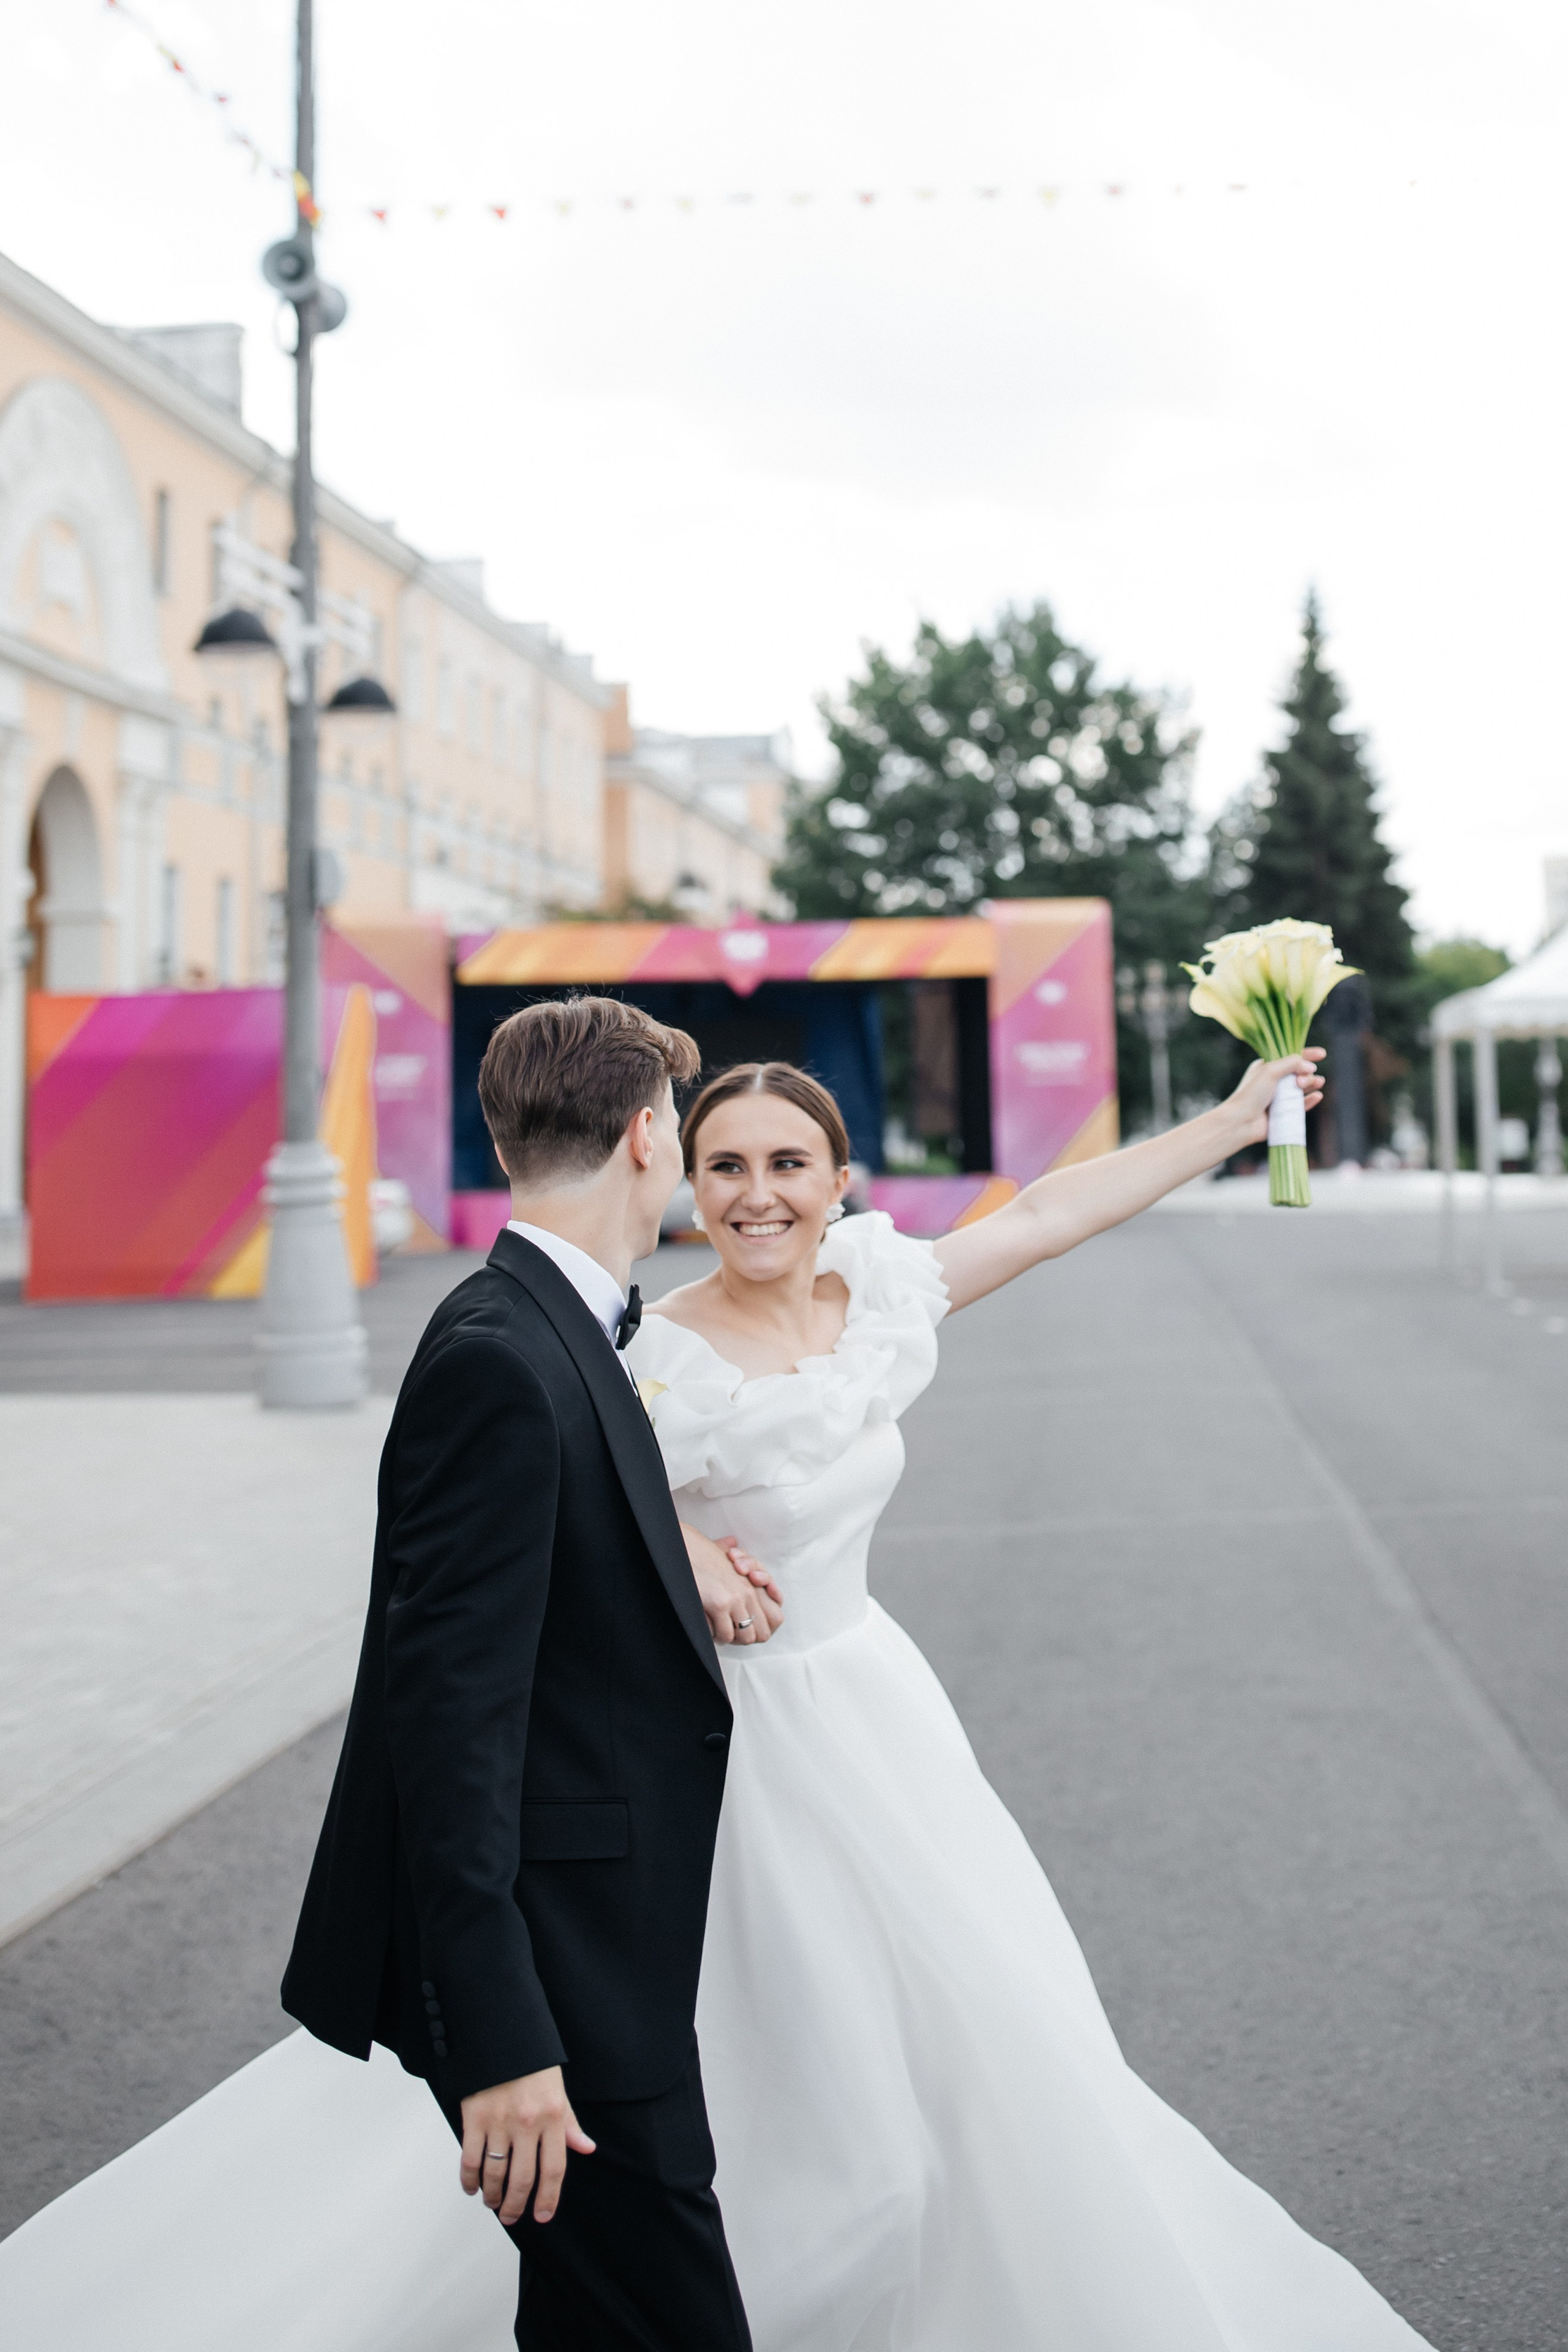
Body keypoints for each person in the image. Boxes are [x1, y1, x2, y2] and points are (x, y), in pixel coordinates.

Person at [619, 1046, 1438, 2351]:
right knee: (800, 2091)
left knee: (991, 2040)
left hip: (882, 1722)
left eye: (786, 1165)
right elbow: (574, 1507)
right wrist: (680, 1545)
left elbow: (1054, 1214)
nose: (754, 1194)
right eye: (725, 1166)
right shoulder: (647, 1359)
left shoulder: (875, 1288)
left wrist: (1228, 1122)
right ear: (683, 1182)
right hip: (739, 1759)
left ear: (840, 1181)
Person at [282, 995, 772, 2351]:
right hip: (559, 1985)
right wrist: (499, 2040)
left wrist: (675, 1558)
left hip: (594, 1957)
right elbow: (446, 1726)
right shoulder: (503, 1358)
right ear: (641, 1138)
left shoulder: (551, 1325)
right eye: (677, 1131)